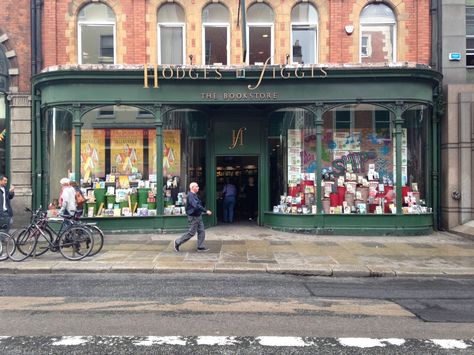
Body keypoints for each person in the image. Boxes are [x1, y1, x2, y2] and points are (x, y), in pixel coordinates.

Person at [174, 182, 212, 252]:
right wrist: (205, 211)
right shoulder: (190, 196)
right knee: (191, 232)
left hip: (198, 215)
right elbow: (196, 205)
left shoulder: (194, 195)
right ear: (192, 188)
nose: (198, 188)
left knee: (201, 231)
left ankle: (200, 247)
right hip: (193, 217)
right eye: (197, 186)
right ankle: (178, 242)